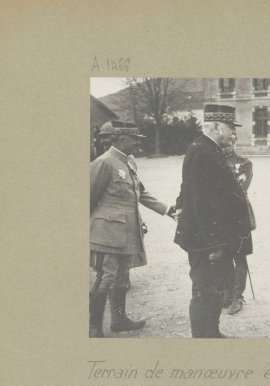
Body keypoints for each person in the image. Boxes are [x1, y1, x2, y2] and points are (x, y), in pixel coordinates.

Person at [89, 120, 176, 338]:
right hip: (107, 233)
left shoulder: (128, 163)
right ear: (121, 139)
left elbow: (140, 193)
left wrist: (167, 210)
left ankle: (119, 320)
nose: (137, 143)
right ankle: (93, 326)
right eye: (134, 139)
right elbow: (88, 199)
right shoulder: (104, 163)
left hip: (128, 231)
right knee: (106, 276)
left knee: (122, 276)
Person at [174, 104, 252, 338]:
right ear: (217, 127)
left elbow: (188, 189)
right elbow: (203, 202)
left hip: (211, 238)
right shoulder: (204, 152)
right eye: (230, 127)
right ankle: (203, 339)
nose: (233, 133)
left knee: (215, 288)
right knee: (205, 290)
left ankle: (212, 334)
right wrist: (215, 244)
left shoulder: (207, 148)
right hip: (207, 242)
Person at [222, 132, 256, 315]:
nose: (226, 146)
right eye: (224, 143)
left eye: (230, 142)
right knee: (224, 254)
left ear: (235, 142)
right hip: (220, 217)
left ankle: (237, 296)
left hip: (239, 215)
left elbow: (239, 189)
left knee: (240, 255)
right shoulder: (213, 160)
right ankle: (227, 293)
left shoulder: (244, 163)